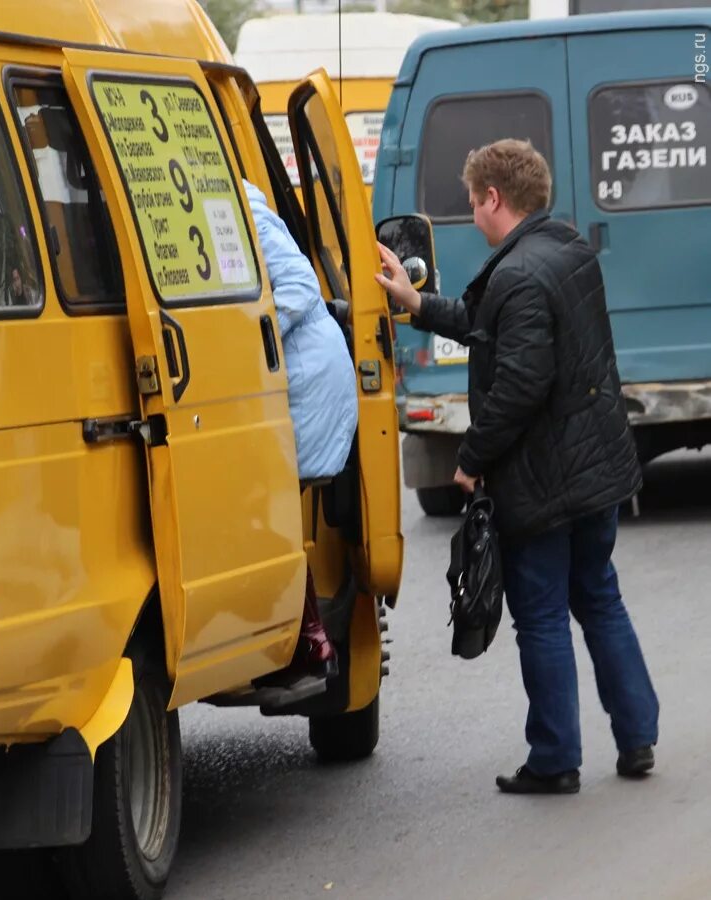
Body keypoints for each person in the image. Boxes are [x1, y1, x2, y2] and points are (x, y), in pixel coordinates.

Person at [376, 139, 659, 794]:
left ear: (493, 199)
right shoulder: (565, 250)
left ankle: (556, 759)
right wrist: (415, 302)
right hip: (596, 470)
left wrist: (471, 459)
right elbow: (486, 324)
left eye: (473, 201)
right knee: (599, 597)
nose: (472, 213)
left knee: (540, 617)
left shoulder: (518, 275)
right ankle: (637, 734)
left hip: (545, 479)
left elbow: (521, 385)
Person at [244, 179, 358, 676]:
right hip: (303, 379)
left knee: (268, 512)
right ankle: (305, 641)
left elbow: (297, 285)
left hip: (307, 383)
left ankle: (308, 643)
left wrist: (244, 341)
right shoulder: (238, 209)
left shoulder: (245, 213)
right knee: (274, 515)